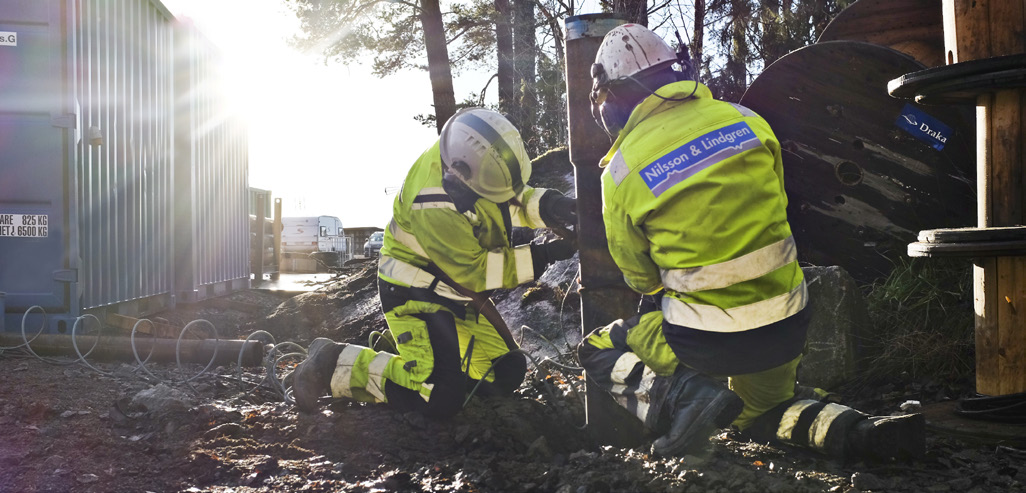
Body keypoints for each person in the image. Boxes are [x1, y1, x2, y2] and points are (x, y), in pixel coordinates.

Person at [577, 24, 925, 461]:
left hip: (704, 341)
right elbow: (778, 204)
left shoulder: (621, 172)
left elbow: (639, 277)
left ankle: (686, 395)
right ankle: (860, 433)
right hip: (785, 324)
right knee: (757, 411)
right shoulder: (747, 122)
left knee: (596, 348)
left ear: (614, 96)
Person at [292, 108, 577, 419]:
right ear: (460, 173)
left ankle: (409, 355)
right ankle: (332, 364)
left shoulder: (465, 160)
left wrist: (552, 206)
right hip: (413, 290)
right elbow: (476, 272)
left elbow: (504, 196)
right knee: (439, 396)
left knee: (504, 372)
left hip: (451, 289)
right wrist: (542, 255)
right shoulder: (434, 201)